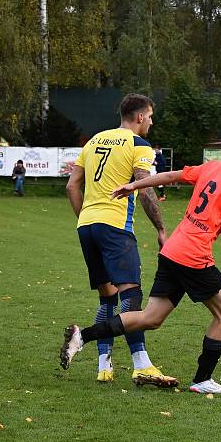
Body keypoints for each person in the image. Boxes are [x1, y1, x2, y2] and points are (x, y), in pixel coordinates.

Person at [60, 130, 221, 394]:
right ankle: (202, 380)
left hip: (173, 250)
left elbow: (172, 176)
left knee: (151, 318)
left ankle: (83, 336)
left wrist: (134, 185)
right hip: (194, 256)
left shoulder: (212, 167)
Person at [65, 93, 174, 386]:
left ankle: (104, 367)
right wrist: (161, 228)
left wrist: (84, 217)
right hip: (115, 227)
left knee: (107, 297)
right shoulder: (139, 145)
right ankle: (141, 364)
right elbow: (145, 186)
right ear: (139, 117)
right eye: (150, 116)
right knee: (131, 297)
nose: (150, 122)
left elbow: (72, 186)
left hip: (87, 225)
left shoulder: (94, 141)